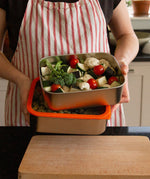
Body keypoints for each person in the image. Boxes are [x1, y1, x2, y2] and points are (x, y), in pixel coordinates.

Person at [0, 0, 139, 126]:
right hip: (30, 111)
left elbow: (126, 35)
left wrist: (121, 62)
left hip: (98, 115)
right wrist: (21, 80)